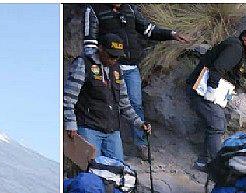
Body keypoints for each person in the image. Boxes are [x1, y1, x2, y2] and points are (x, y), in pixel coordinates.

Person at [82, 4, 191, 160]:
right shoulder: (94, 10)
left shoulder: (130, 9)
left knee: (135, 104)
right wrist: (96, 68)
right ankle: (104, 149)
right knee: (106, 104)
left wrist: (172, 34)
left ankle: (140, 145)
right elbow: (90, 44)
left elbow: (149, 30)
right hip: (108, 68)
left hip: (131, 68)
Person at [188, 25, 246, 171]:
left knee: (214, 125)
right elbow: (218, 68)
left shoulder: (237, 48)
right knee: (217, 125)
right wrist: (211, 89)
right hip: (202, 90)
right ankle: (217, 167)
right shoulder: (235, 48)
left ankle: (203, 162)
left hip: (206, 90)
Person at [64, 33, 152, 161]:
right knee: (92, 171)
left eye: (117, 57)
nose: (114, 60)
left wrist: (139, 123)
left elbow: (124, 103)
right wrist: (71, 124)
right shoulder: (83, 64)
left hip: (112, 131)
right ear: (100, 48)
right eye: (111, 55)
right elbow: (68, 98)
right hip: (88, 128)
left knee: (118, 170)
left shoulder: (117, 70)